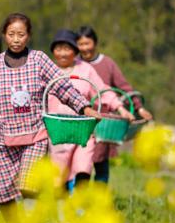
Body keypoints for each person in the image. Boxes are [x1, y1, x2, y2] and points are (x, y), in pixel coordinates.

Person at [0, 14, 99, 222]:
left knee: (28, 185)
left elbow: (61, 85)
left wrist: (84, 107)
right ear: (4, 35)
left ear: (29, 36)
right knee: (4, 193)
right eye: (11, 34)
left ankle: (49, 209)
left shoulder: (38, 59)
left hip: (34, 136)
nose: (16, 39)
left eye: (21, 34)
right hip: (5, 139)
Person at [47, 29, 134, 191]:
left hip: (84, 131)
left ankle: (79, 208)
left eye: (67, 49)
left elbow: (102, 91)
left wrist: (121, 109)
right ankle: (62, 209)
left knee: (83, 169)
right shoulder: (48, 70)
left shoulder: (85, 69)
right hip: (58, 132)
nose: (63, 53)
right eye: (58, 49)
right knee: (58, 177)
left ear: (75, 51)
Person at [76, 25, 153, 183]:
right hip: (82, 123)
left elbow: (124, 87)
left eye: (87, 43)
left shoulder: (108, 64)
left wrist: (140, 108)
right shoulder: (75, 65)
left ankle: (99, 203)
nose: (84, 48)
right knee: (80, 168)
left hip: (104, 124)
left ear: (95, 43)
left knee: (101, 167)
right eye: (80, 44)